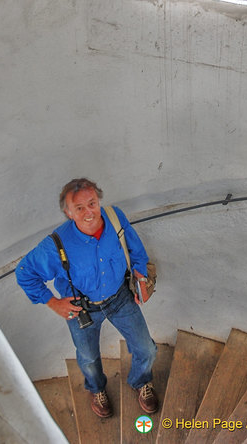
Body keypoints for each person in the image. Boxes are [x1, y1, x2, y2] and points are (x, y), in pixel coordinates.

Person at [16, 178, 158, 419]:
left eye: (92, 203)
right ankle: (97, 389)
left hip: (120, 298)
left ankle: (141, 380)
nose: (88, 212)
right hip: (81, 309)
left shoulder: (115, 218)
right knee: (89, 359)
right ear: (68, 212)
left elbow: (136, 250)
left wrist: (140, 278)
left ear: (99, 201)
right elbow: (25, 273)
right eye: (79, 208)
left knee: (147, 348)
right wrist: (53, 303)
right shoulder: (56, 244)